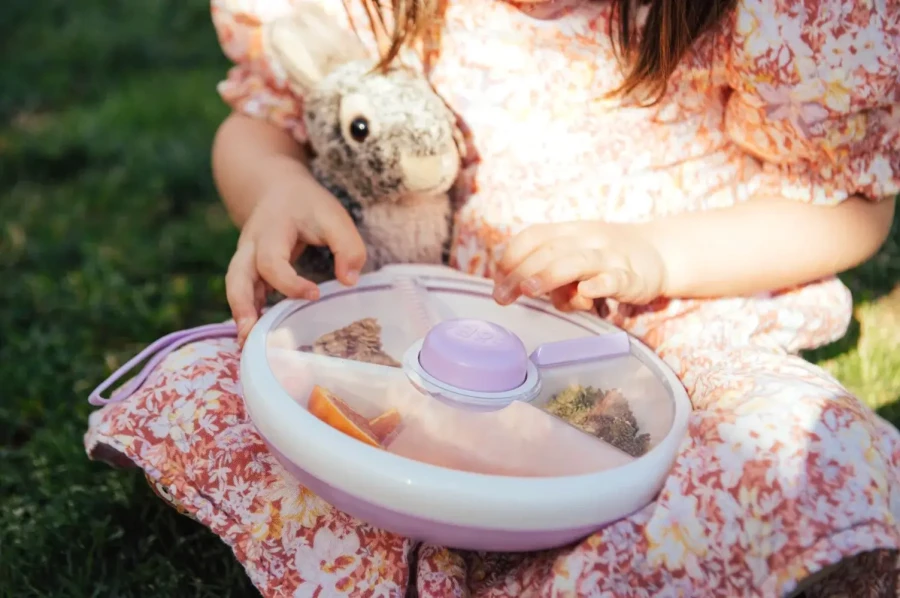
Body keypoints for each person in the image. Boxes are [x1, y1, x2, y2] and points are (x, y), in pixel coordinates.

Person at [85, 0, 900, 596]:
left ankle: (485, 559)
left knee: (799, 452)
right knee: (210, 391)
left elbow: (848, 204)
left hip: (655, 348)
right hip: (417, 341)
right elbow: (261, 124)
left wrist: (655, 255)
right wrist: (275, 189)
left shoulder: (749, 17)